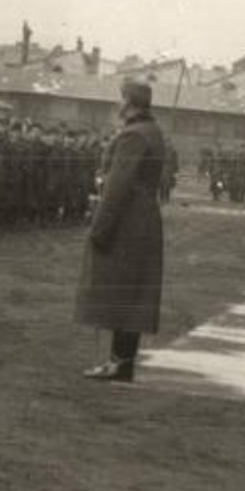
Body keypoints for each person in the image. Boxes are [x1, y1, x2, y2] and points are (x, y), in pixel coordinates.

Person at [75, 79, 166, 382]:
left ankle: (119, 362)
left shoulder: (133, 136)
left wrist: (100, 227)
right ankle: (121, 360)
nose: (118, 104)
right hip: (142, 218)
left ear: (129, 102)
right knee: (132, 291)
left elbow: (118, 186)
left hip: (128, 221)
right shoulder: (150, 132)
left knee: (121, 289)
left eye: (121, 99)